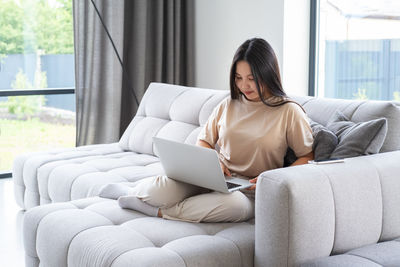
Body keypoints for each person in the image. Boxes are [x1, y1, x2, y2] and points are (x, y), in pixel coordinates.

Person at [99, 38, 314, 223]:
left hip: (250, 192)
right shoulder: (229, 104)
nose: (244, 86)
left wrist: (272, 177)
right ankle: (134, 192)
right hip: (214, 176)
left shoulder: (288, 111)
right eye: (238, 78)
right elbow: (204, 142)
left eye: (252, 78)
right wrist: (216, 161)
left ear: (267, 74)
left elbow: (307, 155)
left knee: (235, 208)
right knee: (159, 191)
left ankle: (158, 210)